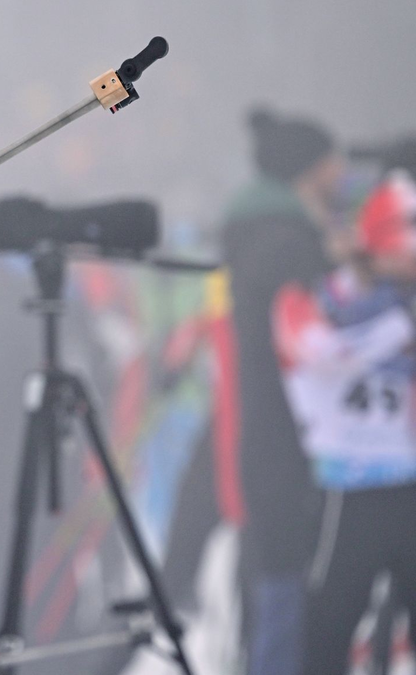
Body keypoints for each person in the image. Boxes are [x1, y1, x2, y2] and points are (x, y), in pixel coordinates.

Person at [273, 161, 416, 675]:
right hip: (348, 492)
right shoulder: (303, 300)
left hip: (410, 487)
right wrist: (396, 326)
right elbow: (319, 348)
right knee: (327, 629)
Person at [220, 107, 344, 675]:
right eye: (332, 162)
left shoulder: (259, 233)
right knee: (289, 586)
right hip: (294, 443)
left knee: (273, 578)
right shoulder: (289, 243)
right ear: (309, 171)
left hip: (266, 439)